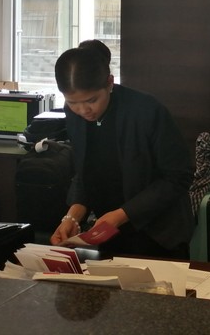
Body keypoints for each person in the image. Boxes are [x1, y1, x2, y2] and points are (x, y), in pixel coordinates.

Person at [49, 40, 194, 259]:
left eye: (91, 100)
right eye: (73, 102)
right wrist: (72, 216)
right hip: (108, 233)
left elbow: (178, 177)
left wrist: (121, 215)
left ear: (109, 83)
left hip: (158, 234)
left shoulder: (146, 111)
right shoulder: (74, 114)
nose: (83, 110)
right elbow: (86, 170)